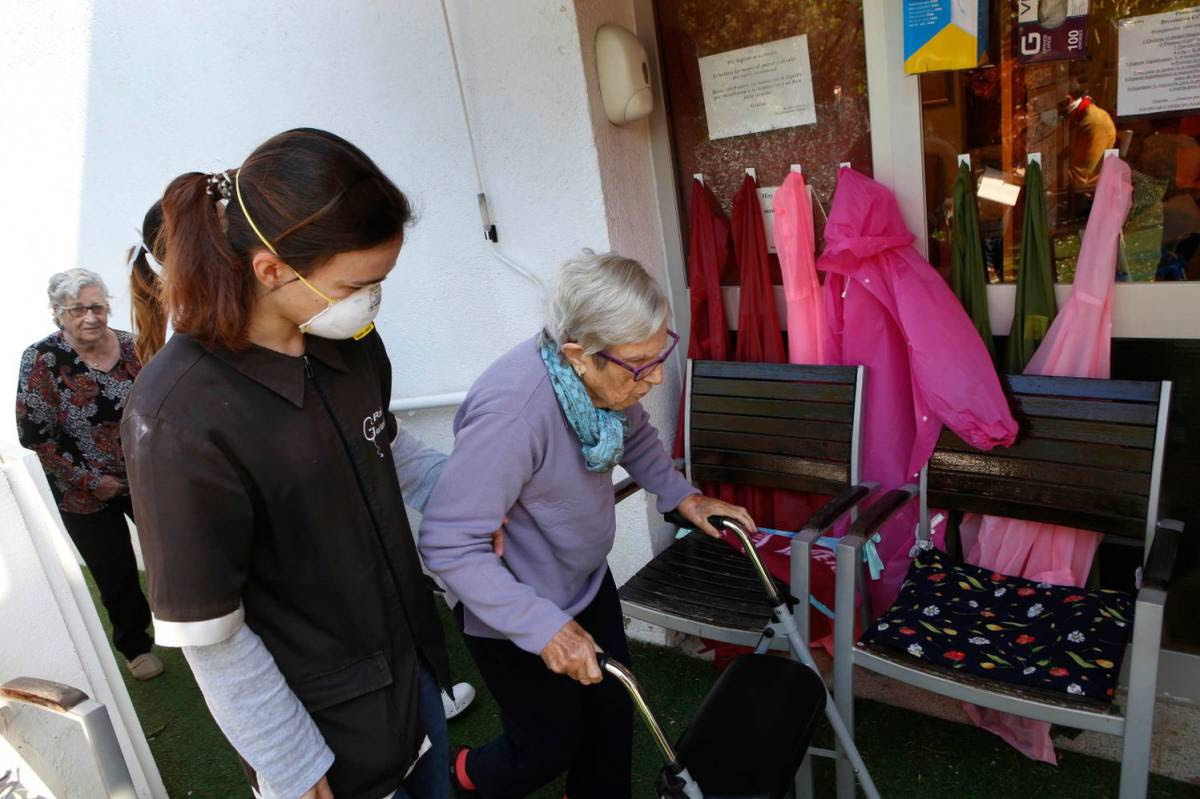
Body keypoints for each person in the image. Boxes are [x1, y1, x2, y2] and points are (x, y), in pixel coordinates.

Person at [122, 128, 457, 799]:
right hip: (318, 730)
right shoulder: (178, 415)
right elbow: (213, 635)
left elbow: (385, 445)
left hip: (411, 674)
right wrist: (295, 766)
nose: (372, 302)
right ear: (272, 268)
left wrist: (483, 495)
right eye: (358, 284)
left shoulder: (350, 342)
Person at [419, 252, 755, 799]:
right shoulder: (514, 416)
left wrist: (685, 498)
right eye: (640, 365)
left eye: (658, 354)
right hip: (514, 606)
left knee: (610, 719)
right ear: (579, 354)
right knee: (548, 746)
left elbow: (637, 436)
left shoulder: (603, 384)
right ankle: (456, 776)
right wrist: (544, 628)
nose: (655, 378)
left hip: (584, 581)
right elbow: (448, 544)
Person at [16, 269, 163, 681]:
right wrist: (91, 481)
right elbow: (35, 436)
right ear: (58, 313)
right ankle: (136, 647)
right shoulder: (42, 360)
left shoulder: (134, 348)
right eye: (77, 309)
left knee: (172, 553)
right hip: (82, 490)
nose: (91, 317)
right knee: (113, 569)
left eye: (97, 306)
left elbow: (161, 406)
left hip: (143, 478)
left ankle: (186, 626)